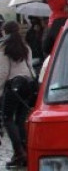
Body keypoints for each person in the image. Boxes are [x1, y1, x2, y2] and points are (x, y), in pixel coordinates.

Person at [0, 21, 34, 168]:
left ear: (4, 32)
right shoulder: (25, 47)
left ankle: (19, 152)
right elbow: (30, 67)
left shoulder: (4, 49)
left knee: (7, 118)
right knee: (20, 120)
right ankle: (26, 151)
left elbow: (3, 73)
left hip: (13, 87)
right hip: (27, 85)